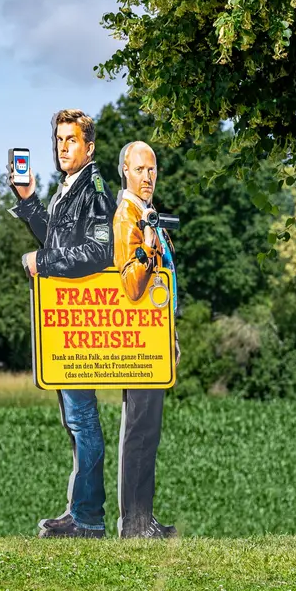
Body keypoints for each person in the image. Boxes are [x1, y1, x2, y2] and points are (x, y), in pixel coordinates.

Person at [9, 109, 116, 538]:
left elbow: (98, 251)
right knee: (76, 420)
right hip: (65, 320)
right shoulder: (69, 188)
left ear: (89, 147)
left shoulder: (94, 187)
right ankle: (81, 511)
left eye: (71, 140)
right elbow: (56, 237)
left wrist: (44, 261)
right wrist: (28, 198)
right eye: (58, 140)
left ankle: (89, 518)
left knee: (83, 420)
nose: (62, 148)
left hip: (81, 318)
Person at [110, 140, 178, 539]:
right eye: (140, 170)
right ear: (125, 171)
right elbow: (132, 285)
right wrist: (149, 246)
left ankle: (143, 518)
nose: (148, 177)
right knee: (138, 431)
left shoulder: (147, 214)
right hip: (137, 343)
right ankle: (134, 525)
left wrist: (171, 336)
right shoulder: (126, 219)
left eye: (152, 170)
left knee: (148, 433)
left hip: (155, 338)